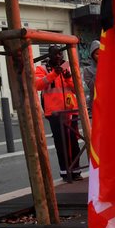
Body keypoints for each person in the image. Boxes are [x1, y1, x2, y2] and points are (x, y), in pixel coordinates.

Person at [35, 46, 81, 181]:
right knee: (61, 143)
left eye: (60, 54)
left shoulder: (68, 66)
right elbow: (38, 85)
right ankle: (65, 172)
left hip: (71, 110)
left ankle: (76, 171)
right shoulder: (42, 69)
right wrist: (54, 73)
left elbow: (77, 88)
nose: (58, 57)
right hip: (54, 112)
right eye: (55, 54)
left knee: (73, 141)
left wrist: (68, 77)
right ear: (49, 55)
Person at [82, 40, 99, 118]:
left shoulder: (109, 66)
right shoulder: (87, 70)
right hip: (97, 103)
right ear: (92, 55)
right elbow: (92, 87)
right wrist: (99, 70)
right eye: (97, 54)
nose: (100, 56)